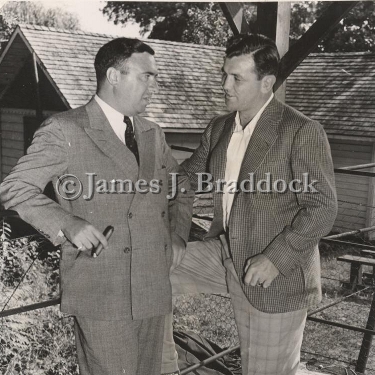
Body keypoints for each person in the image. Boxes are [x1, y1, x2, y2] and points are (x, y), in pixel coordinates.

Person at [0, 37, 193, 375]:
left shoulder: (152, 132)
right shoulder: (64, 129)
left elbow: (181, 187)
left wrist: (177, 235)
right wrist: (68, 223)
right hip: (101, 288)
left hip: (152, 285)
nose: (153, 87)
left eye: (154, 78)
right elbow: (14, 187)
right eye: (146, 76)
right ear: (113, 75)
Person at [163, 33, 338, 375]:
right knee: (146, 266)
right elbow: (184, 179)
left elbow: (322, 207)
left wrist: (276, 258)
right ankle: (162, 364)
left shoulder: (300, 131)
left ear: (266, 82)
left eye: (237, 78)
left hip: (275, 272)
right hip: (225, 253)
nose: (225, 85)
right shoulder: (220, 128)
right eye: (224, 74)